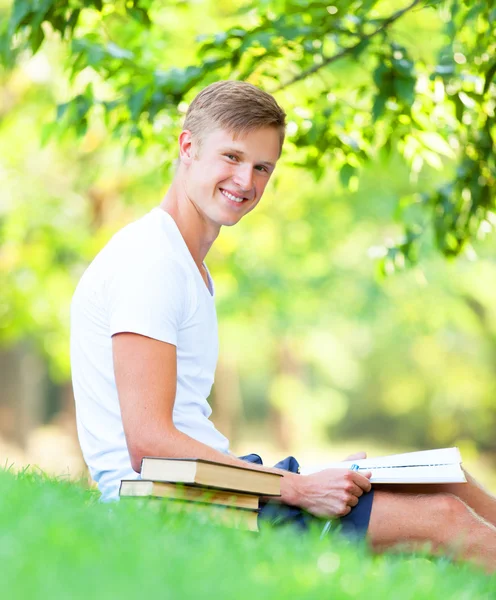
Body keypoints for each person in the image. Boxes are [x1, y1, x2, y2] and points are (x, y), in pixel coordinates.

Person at [71, 80, 496, 572]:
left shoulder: (187, 263)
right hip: (172, 504)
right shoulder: (150, 261)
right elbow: (149, 444)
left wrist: (312, 479)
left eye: (261, 167)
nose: (245, 181)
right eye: (231, 157)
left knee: (445, 478)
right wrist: (299, 488)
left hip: (215, 486)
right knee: (441, 517)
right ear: (188, 147)